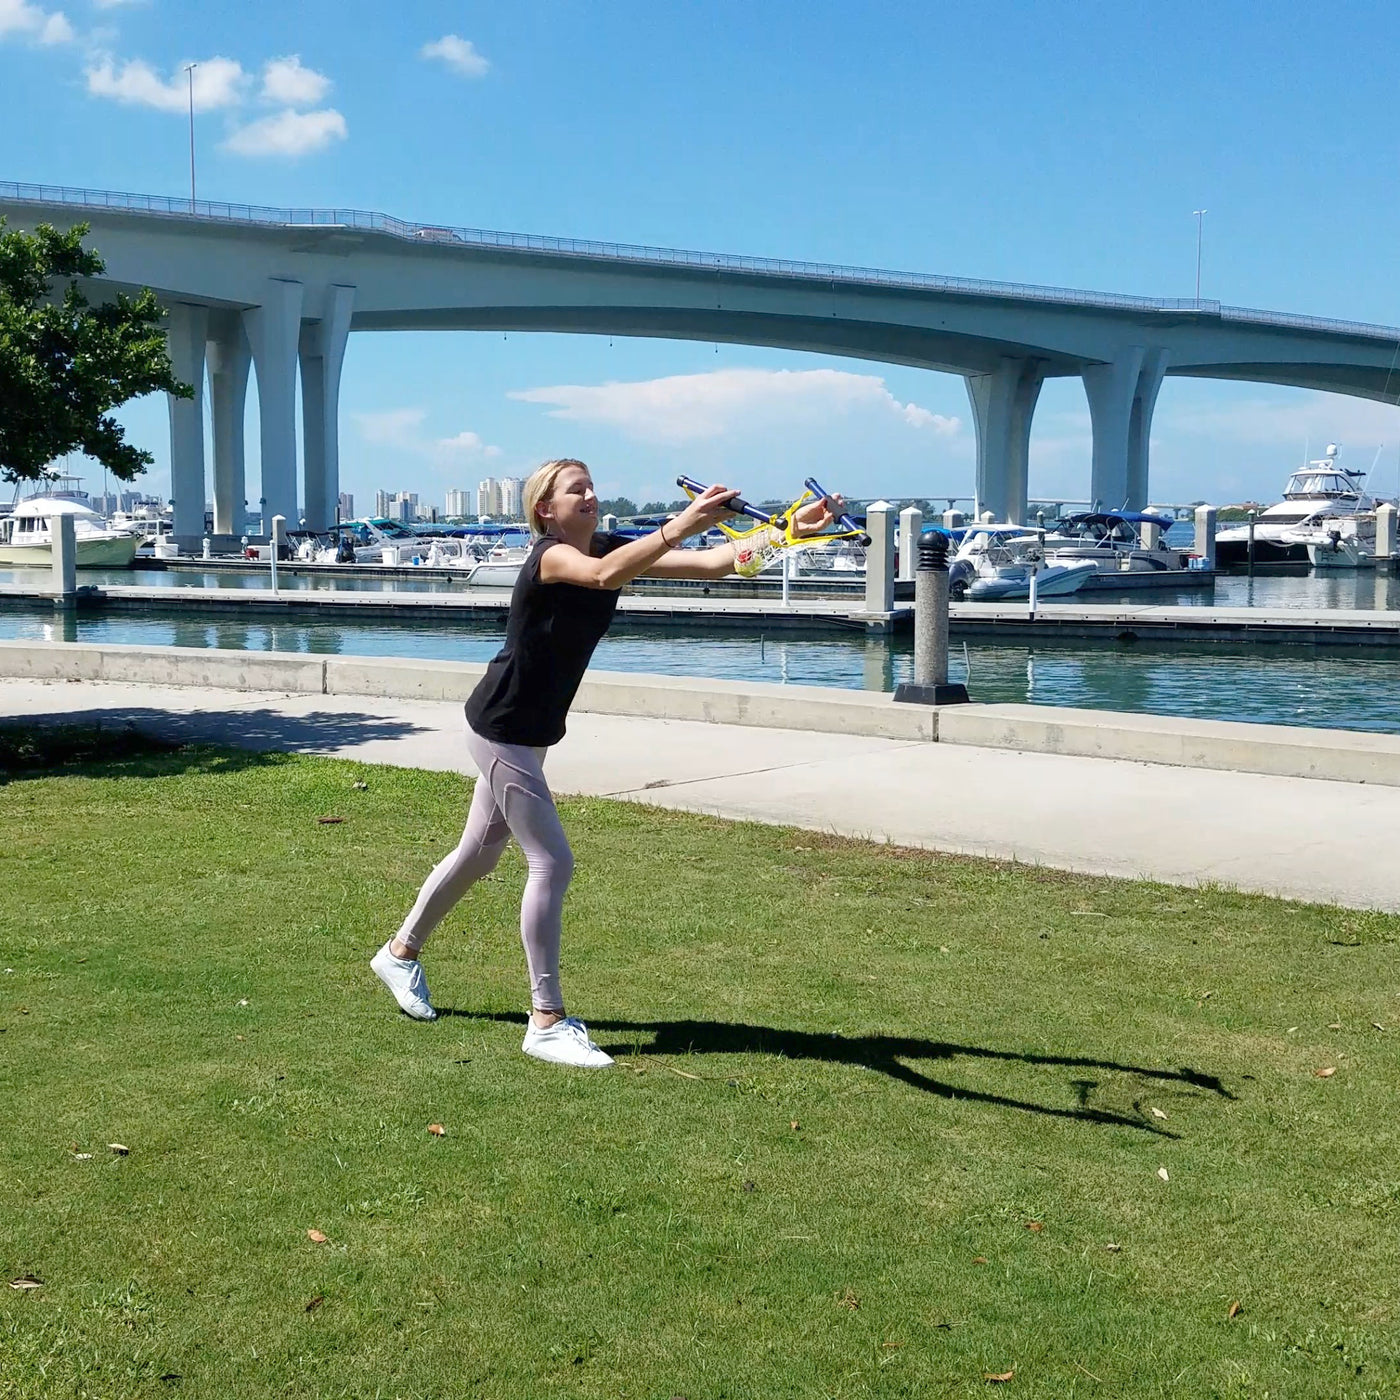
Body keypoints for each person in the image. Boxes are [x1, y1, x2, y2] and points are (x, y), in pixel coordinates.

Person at [371, 458, 840, 1067]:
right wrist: (684, 522)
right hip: (502, 726)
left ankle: (399, 954)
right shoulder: (552, 557)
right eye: (576, 490)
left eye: (591, 487)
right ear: (546, 509)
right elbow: (600, 576)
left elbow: (713, 563)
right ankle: (545, 1020)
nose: (590, 496)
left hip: (529, 729)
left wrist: (787, 531)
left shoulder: (615, 547)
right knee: (552, 861)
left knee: (479, 854)